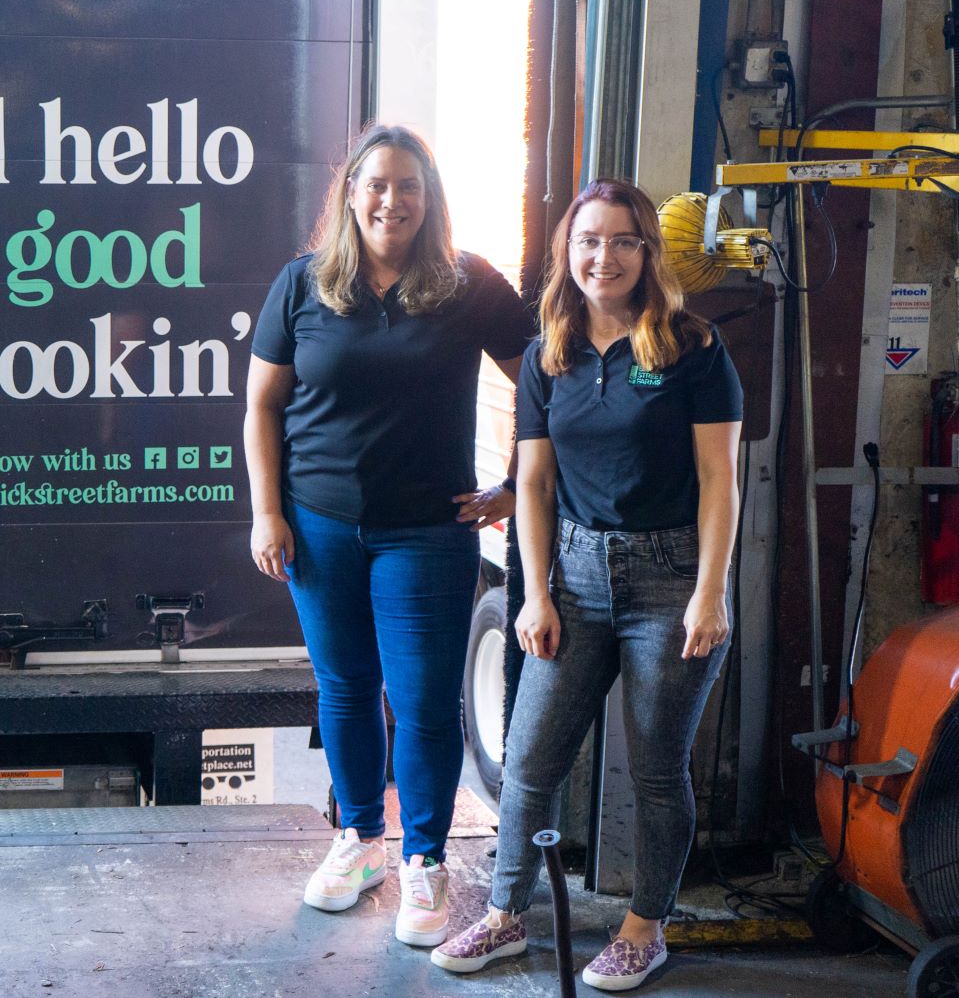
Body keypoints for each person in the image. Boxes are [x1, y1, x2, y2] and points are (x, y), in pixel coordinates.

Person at [431, 178, 742, 991]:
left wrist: (709, 593)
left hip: (670, 583)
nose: (602, 257)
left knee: (654, 767)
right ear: (568, 253)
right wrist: (534, 591)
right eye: (587, 241)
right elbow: (531, 484)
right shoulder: (548, 354)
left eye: (620, 241)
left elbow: (719, 482)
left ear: (647, 253)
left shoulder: (692, 349)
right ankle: (502, 916)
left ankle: (644, 927)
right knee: (531, 757)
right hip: (571, 576)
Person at [244, 124, 534, 946]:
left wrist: (514, 486)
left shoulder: (468, 283)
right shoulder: (303, 284)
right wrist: (268, 512)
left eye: (409, 187)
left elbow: (542, 383)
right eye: (376, 184)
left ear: (429, 200)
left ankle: (424, 861)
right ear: (350, 194)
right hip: (318, 526)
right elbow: (262, 406)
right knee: (344, 688)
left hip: (424, 535)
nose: (391, 200)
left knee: (423, 704)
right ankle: (358, 841)